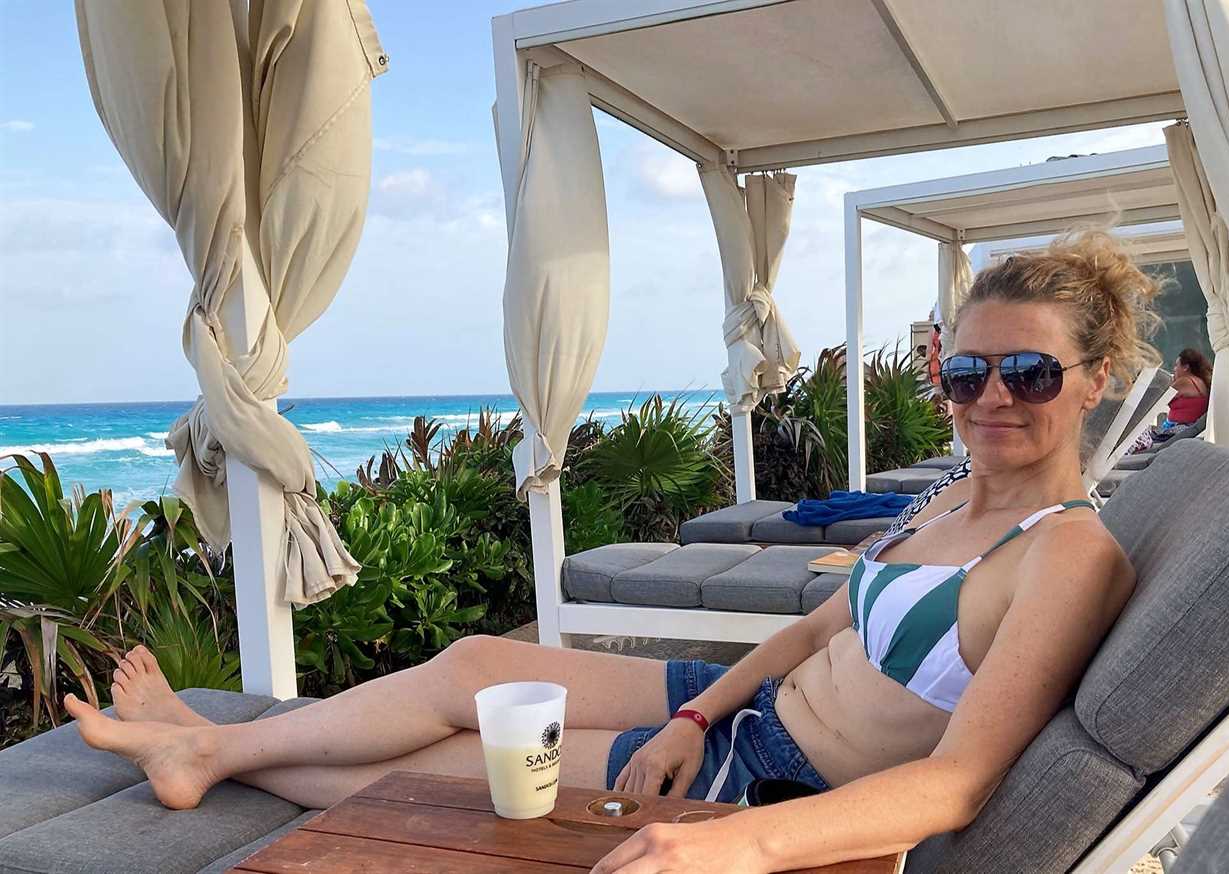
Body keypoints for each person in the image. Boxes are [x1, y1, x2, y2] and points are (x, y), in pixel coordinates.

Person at [66, 229, 1156, 873]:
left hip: (773, 773)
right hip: (731, 715)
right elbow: (818, 626)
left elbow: (957, 782)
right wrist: (690, 714)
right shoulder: (952, 500)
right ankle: (207, 740)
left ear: (1092, 379)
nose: (990, 400)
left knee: (440, 773)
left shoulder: (1065, 554)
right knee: (476, 664)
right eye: (965, 375)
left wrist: (737, 845)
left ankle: (204, 748)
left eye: (1029, 374)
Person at [1127, 347, 1212, 454]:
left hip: (1176, 430)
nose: (1174, 369)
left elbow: (1158, 396)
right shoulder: (1200, 382)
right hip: (1183, 429)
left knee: (1137, 435)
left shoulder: (1185, 381)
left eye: (1177, 365)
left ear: (1186, 367)